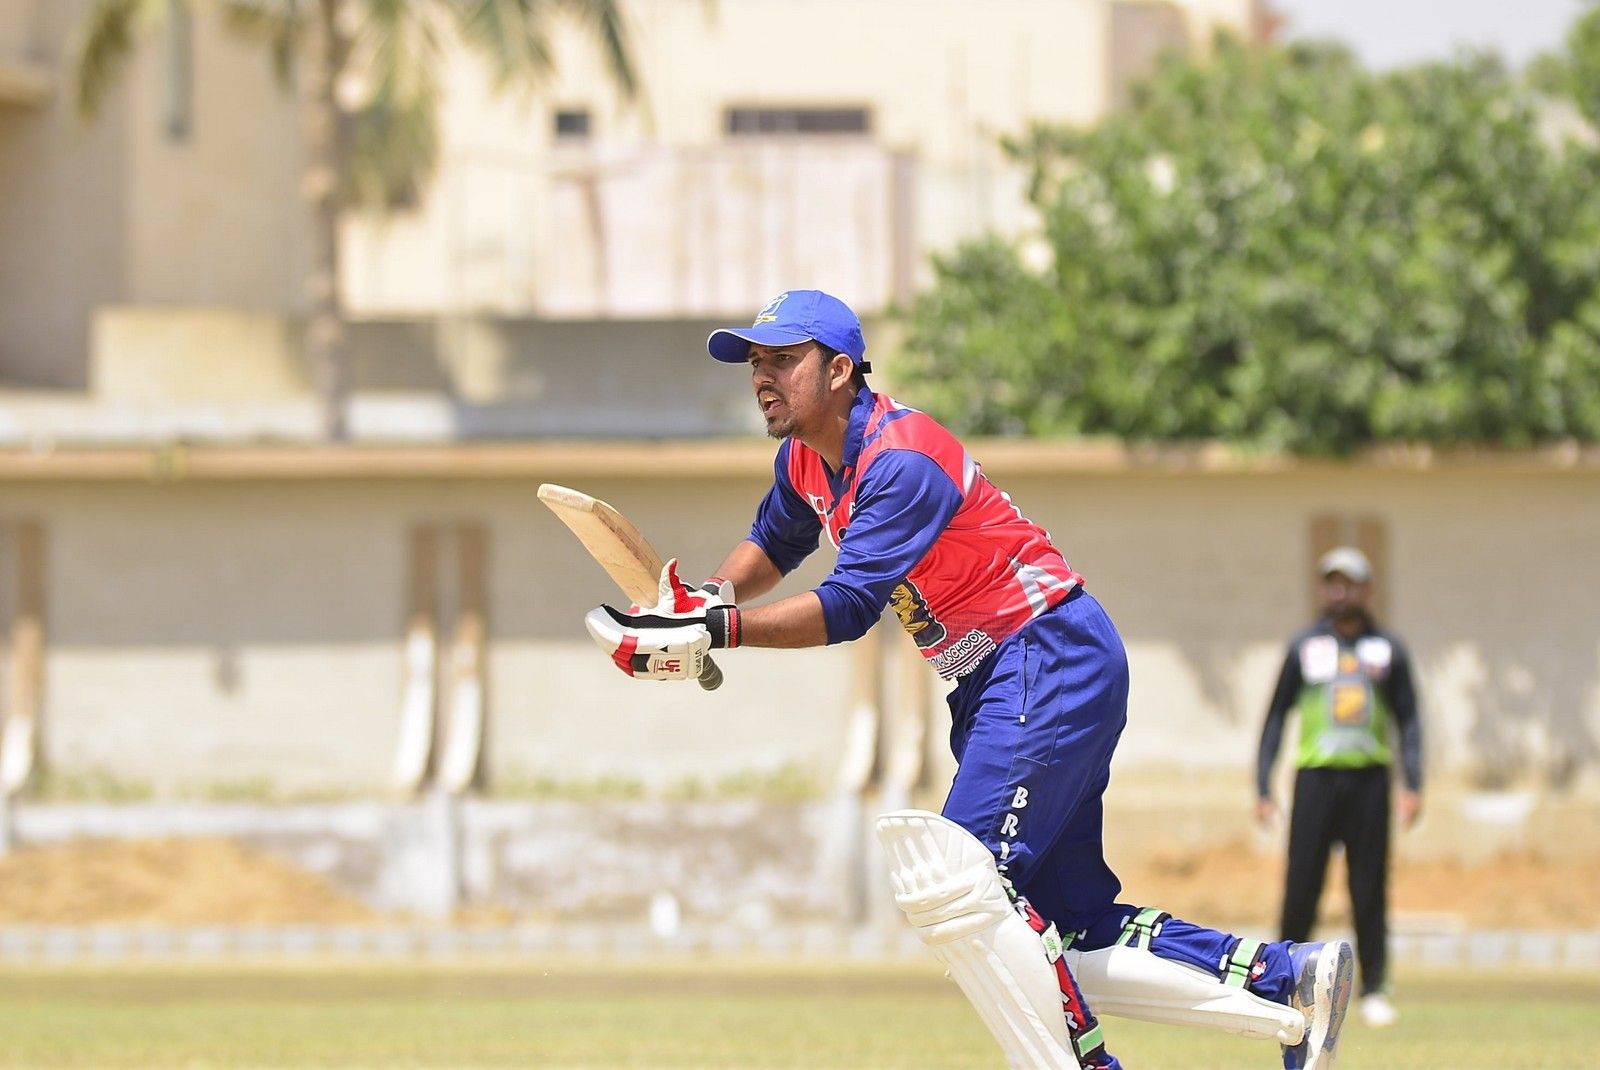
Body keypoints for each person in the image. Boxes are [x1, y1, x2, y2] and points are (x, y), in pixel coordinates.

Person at [584, 289, 1354, 1069]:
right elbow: (775, 543)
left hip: (1045, 653)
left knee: (958, 880)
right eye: (756, 361)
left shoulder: (902, 460)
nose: (761, 376)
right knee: (1069, 926)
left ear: (841, 369)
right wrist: (707, 599)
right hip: (1003, 679)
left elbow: (848, 607)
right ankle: (1286, 979)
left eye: (783, 359)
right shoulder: (807, 459)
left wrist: (716, 632)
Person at [1256, 546, 1423, 1030]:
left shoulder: (1386, 649)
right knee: (1302, 884)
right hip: (1315, 778)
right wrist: (1263, 783)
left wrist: (1413, 782)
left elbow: (1409, 719)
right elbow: (1276, 715)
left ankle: (1375, 989)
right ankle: (1282, 984)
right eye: (1332, 582)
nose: (1339, 591)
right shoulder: (1305, 647)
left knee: (1368, 885)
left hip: (1370, 778)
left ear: (1367, 589)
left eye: (1348, 583)